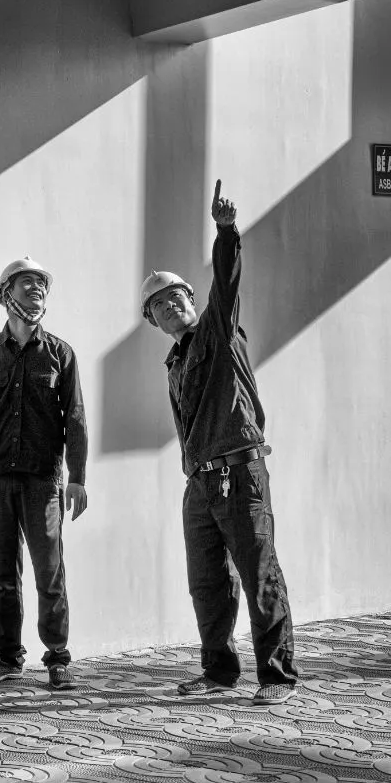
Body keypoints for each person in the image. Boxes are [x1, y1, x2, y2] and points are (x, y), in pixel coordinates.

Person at [140, 180, 300, 706]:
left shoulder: (218, 329)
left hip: (239, 472)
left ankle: (276, 677)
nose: (170, 307)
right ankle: (218, 670)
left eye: (175, 297)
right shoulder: (174, 362)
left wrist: (226, 232)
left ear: (192, 299)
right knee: (207, 582)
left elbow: (226, 284)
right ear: (154, 323)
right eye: (159, 307)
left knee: (259, 574)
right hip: (201, 480)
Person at [0, 256, 88, 691]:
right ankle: (9, 658)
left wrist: (78, 477)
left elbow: (77, 420)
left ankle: (57, 658)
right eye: (27, 283)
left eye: (42, 284)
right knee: (4, 576)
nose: (37, 290)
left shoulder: (61, 354)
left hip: (44, 483)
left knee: (50, 573)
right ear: (7, 294)